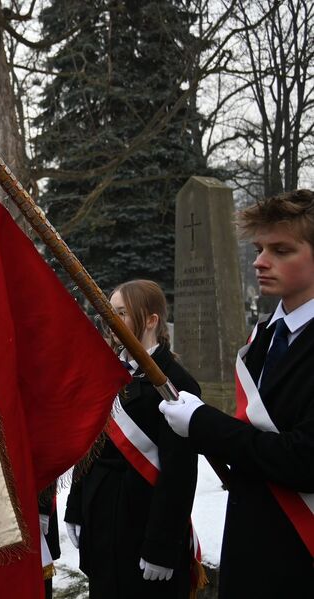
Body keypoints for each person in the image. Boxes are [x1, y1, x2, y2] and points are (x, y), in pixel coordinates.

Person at [159, 190, 314, 598]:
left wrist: (203, 423)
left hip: (301, 556)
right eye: (260, 248)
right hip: (251, 543)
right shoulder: (264, 335)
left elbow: (304, 459)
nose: (261, 261)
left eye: (281, 250)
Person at [65, 279, 200, 598]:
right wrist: (76, 506)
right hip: (100, 516)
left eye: (122, 313)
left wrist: (162, 547)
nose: (112, 320)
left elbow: (179, 474)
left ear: (151, 319)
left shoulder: (176, 383)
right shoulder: (106, 372)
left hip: (143, 522)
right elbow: (90, 446)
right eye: (109, 312)